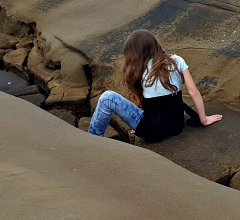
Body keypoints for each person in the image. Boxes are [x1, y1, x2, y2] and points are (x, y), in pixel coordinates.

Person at [88, 29, 222, 141]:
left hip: (152, 131)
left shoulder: (138, 69)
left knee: (107, 97)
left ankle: (92, 141)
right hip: (176, 127)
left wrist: (140, 125)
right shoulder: (176, 60)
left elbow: (145, 102)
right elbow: (193, 91)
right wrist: (203, 119)